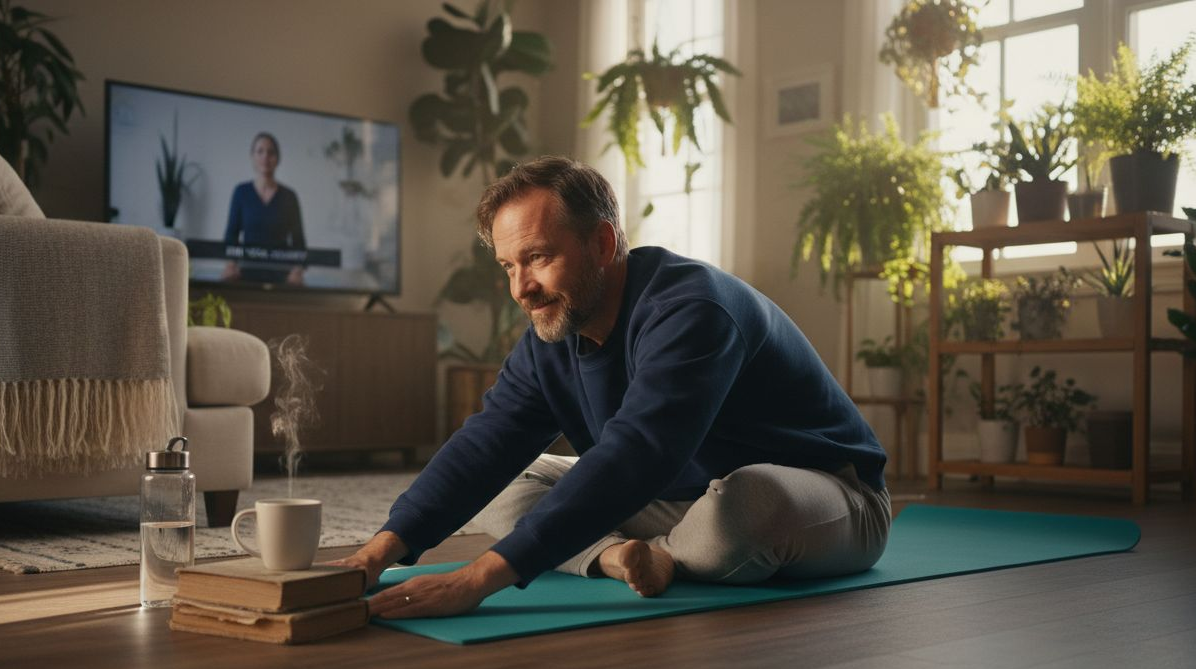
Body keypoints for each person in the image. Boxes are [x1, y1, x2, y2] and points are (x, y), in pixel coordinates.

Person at [340, 156, 891, 619]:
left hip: (826, 494)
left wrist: (476, 581)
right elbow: (487, 443)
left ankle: (663, 556)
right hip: (679, 498)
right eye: (508, 266)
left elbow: (637, 453)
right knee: (511, 486)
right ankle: (619, 556)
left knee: (745, 507)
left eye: (537, 258)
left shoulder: (693, 309)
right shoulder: (553, 330)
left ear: (602, 244)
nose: (521, 289)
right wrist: (377, 553)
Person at [222, 131, 306, 286]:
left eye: (271, 152)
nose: (265, 157)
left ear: (278, 158)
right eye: (260, 151)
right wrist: (230, 264)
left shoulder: (289, 196)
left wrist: (297, 270)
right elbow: (231, 236)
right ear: (252, 157)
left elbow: (299, 242)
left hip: (283, 276)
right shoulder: (241, 192)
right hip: (246, 273)